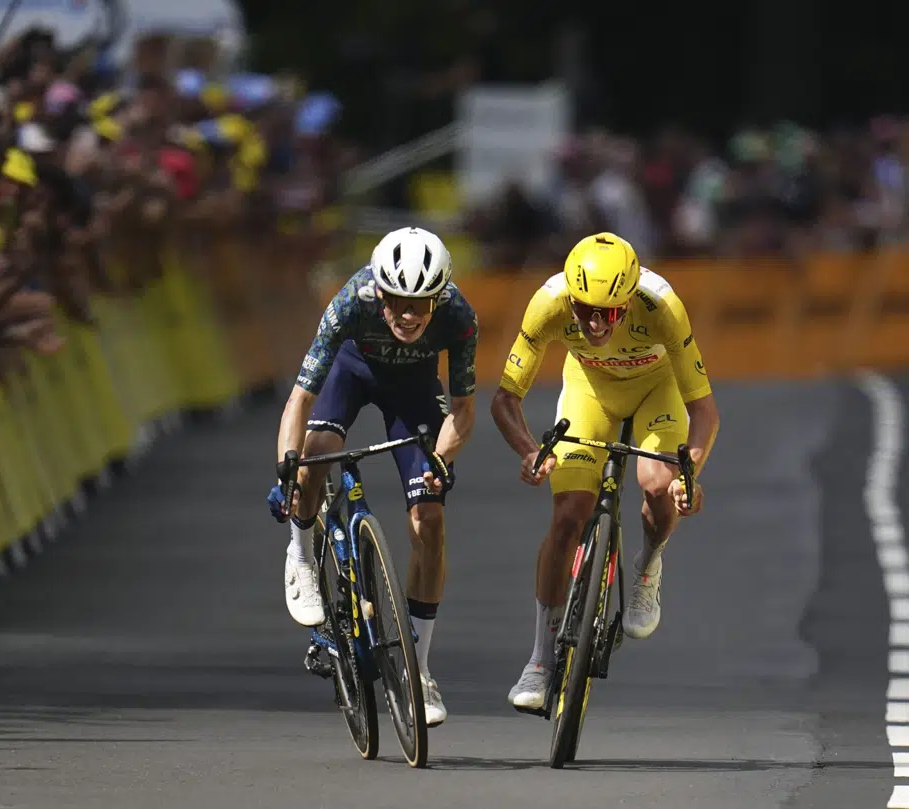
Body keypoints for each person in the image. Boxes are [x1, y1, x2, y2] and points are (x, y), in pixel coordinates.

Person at [489, 231, 720, 713]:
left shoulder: (661, 307)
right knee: (569, 514)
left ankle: (648, 565)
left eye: (610, 313)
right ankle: (539, 659)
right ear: (570, 298)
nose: (595, 324)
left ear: (630, 299)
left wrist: (689, 475)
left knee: (656, 481)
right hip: (589, 392)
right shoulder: (548, 303)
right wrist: (531, 451)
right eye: (585, 311)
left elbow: (703, 411)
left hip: (659, 391)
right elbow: (506, 398)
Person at [267, 226, 478, 727]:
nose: (407, 314)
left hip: (414, 388)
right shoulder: (349, 302)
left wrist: (442, 460)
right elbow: (300, 400)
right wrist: (287, 467)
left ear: (437, 298)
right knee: (316, 453)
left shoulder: (458, 315)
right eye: (397, 302)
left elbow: (464, 411)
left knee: (429, 521)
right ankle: (300, 552)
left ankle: (418, 671)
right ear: (379, 292)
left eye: (419, 305)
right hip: (352, 371)